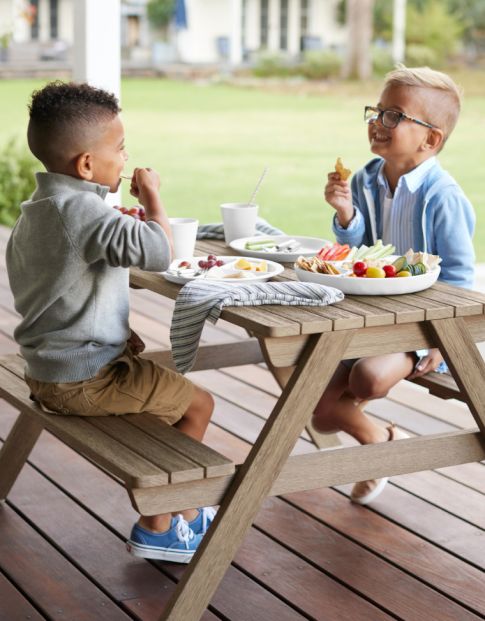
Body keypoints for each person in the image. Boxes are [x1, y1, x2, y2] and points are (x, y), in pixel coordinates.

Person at [6, 81, 215, 563]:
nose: (125, 159)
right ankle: (161, 523)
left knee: (166, 393)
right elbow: (159, 252)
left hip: (47, 366)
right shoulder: (84, 211)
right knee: (197, 405)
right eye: (119, 150)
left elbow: (72, 275)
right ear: (86, 164)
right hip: (84, 379)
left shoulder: (39, 209)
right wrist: (153, 199)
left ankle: (181, 511)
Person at [315, 66, 475, 505]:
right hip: (376, 314)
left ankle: (381, 447)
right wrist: (347, 214)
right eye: (377, 111)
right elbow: (362, 251)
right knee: (321, 410)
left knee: (368, 378)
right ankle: (383, 441)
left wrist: (444, 340)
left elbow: (461, 276)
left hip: (426, 325)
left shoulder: (442, 196)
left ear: (431, 139)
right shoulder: (368, 178)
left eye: (393, 115)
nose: (377, 122)